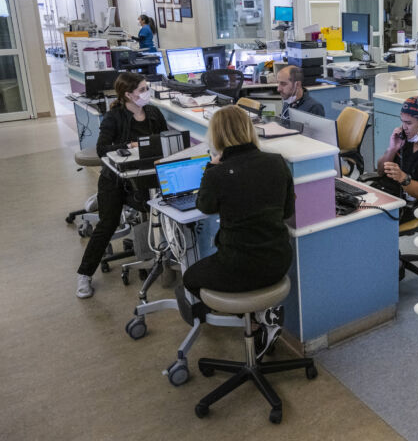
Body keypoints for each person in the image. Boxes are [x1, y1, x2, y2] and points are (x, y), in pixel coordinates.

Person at [182, 105, 295, 300]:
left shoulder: (216, 174)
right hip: (280, 260)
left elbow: (205, 207)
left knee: (190, 278)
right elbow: (287, 213)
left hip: (239, 266)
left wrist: (210, 167)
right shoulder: (277, 162)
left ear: (216, 136)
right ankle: (258, 319)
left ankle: (241, 317)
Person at [76, 72, 168, 298]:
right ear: (128, 94)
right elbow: (101, 149)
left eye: (147, 88)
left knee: (162, 211)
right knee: (107, 223)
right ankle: (84, 275)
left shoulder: (153, 113)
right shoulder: (114, 117)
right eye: (142, 90)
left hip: (145, 178)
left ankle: (156, 255)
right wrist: (129, 145)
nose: (147, 93)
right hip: (116, 180)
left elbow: (165, 138)